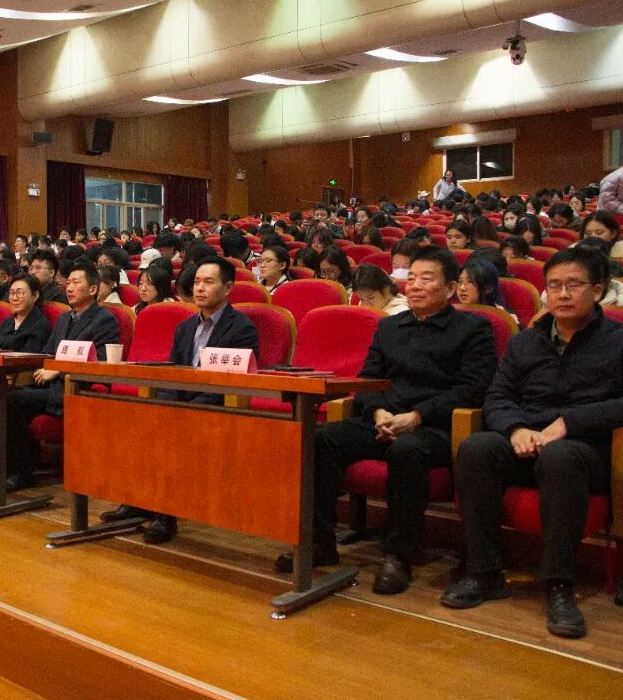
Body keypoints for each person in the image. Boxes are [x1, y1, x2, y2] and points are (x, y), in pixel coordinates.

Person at [274, 246, 497, 594]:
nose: (416, 286)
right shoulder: (390, 327)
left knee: (406, 450)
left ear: (451, 288)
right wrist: (377, 411)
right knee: (318, 438)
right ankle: (318, 542)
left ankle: (399, 555)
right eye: (412, 278)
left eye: (427, 279)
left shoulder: (473, 328)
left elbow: (473, 389)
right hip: (383, 419)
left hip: (434, 426)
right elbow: (368, 379)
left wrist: (417, 416)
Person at [442, 247, 622, 639]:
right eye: (554, 286)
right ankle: (484, 572)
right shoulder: (526, 342)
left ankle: (559, 585)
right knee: (477, 448)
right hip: (527, 439)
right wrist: (515, 429)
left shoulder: (617, 340)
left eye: (574, 285)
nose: (563, 294)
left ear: (598, 290)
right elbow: (498, 396)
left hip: (586, 450)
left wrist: (570, 422)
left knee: (561, 457)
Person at [101, 256, 260, 544]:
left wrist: (180, 408)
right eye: (197, 282)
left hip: (219, 406)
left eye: (208, 282)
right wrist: (165, 402)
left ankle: (166, 514)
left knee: (171, 426)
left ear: (228, 288)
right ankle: (137, 498)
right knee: (142, 414)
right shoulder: (185, 327)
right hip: (183, 401)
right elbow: (173, 373)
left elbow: (236, 383)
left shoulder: (242, 328)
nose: (200, 288)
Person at [4, 262, 120, 490]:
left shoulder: (104, 319)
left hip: (76, 389)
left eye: (76, 283)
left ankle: (22, 472)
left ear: (93, 289)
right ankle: (2, 467)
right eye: (68, 283)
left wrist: (59, 369)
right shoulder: (65, 318)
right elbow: (48, 353)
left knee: (11, 399)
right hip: (51, 387)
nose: (69, 287)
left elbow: (101, 363)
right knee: (2, 393)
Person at [0, 274, 52, 353]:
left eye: (19, 293)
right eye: (12, 293)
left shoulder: (41, 325)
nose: (14, 298)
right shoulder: (6, 322)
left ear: (35, 296)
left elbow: (28, 357)